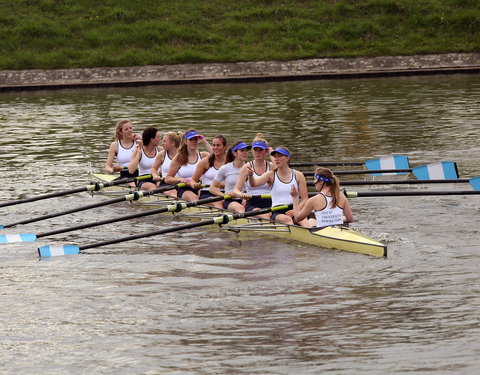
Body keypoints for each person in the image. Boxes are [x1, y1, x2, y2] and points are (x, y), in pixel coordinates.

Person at [247, 146, 309, 227]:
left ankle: (311, 235)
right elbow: (254, 184)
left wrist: (294, 211)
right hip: (277, 212)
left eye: (279, 156)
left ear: (287, 158)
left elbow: (305, 199)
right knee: (287, 220)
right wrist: (251, 176)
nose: (276, 159)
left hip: (294, 208)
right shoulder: (270, 175)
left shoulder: (298, 175)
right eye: (275, 156)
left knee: (304, 221)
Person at [232, 133, 274, 219]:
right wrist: (241, 194)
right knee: (266, 216)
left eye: (260, 150)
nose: (257, 153)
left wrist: (272, 154)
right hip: (253, 203)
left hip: (271, 201)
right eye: (255, 150)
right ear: (252, 151)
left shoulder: (272, 166)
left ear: (266, 151)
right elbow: (236, 189)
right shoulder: (246, 167)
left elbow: (283, 175)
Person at [165, 128, 212, 201]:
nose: (193, 142)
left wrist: (205, 142)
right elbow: (167, 178)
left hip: (200, 186)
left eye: (195, 139)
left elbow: (216, 157)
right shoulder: (178, 158)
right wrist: (181, 180)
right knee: (194, 198)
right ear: (185, 142)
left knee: (209, 199)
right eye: (191, 140)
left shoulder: (204, 156)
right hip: (184, 188)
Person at [209, 141, 251, 212]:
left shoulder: (250, 167)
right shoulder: (225, 168)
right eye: (242, 150)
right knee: (240, 208)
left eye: (246, 150)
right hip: (230, 200)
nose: (245, 152)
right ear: (234, 153)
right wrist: (224, 196)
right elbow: (212, 188)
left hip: (246, 199)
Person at [189, 135, 228, 208]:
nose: (215, 148)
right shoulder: (205, 162)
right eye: (213, 145)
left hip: (226, 193)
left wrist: (227, 182)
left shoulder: (230, 162)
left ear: (225, 147)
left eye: (218, 145)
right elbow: (193, 180)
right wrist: (194, 184)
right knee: (218, 202)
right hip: (207, 193)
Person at [104, 120, 141, 185]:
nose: (130, 130)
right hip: (125, 176)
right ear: (121, 132)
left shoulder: (138, 142)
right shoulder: (115, 145)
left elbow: (156, 149)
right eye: (126, 129)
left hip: (140, 174)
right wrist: (112, 170)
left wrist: (141, 138)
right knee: (132, 183)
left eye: (130, 128)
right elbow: (107, 167)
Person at [151, 131, 182, 197]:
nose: (162, 144)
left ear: (172, 143)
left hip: (182, 183)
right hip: (166, 183)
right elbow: (154, 168)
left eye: (164, 141)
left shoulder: (184, 155)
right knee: (174, 193)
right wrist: (155, 175)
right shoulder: (162, 154)